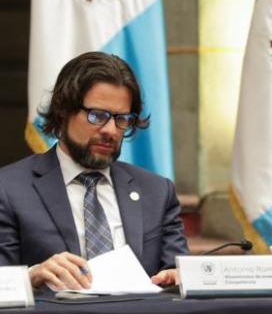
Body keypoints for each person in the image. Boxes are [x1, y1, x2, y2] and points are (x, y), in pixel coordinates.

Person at [0, 52, 188, 290]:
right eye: (97, 116)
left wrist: (177, 277)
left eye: (122, 119)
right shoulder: (8, 189)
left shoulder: (157, 191)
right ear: (63, 110)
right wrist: (32, 276)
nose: (111, 130)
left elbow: (179, 273)